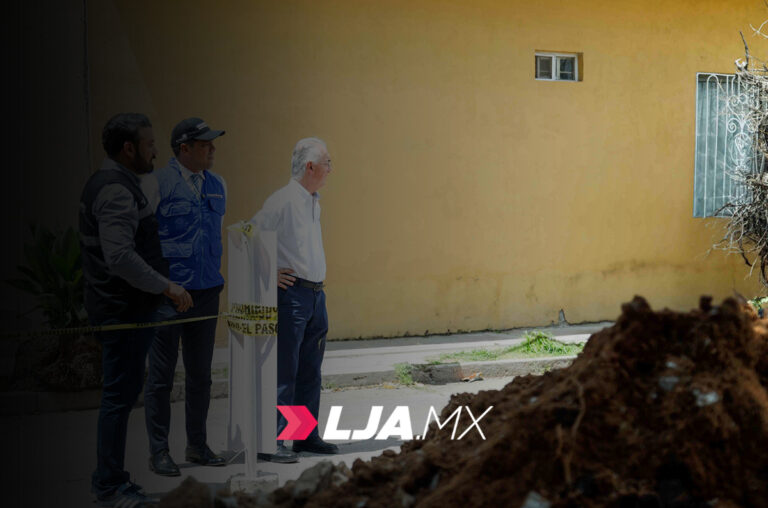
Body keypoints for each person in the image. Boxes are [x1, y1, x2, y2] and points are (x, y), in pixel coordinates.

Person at [79, 113, 192, 507]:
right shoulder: (115, 191)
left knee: (123, 396)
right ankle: (109, 487)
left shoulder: (121, 184)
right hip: (121, 312)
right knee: (118, 398)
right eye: (148, 144)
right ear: (128, 149)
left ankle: (114, 480)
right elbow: (121, 257)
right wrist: (167, 286)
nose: (155, 151)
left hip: (127, 310)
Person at [142, 117, 227, 476]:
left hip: (206, 292)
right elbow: (144, 239)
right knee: (161, 377)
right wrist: (162, 286)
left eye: (212, 143)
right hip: (168, 294)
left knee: (200, 375)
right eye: (204, 144)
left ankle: (197, 444)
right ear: (184, 149)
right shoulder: (157, 183)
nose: (212, 149)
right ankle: (159, 451)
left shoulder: (218, 184)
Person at [250, 137, 339, 463]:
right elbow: (250, 233)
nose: (331, 169)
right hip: (293, 296)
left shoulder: (313, 200)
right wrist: (269, 271)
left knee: (309, 370)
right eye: (327, 163)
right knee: (284, 370)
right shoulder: (283, 201)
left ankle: (303, 435)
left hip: (315, 294)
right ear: (310, 167)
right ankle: (272, 440)